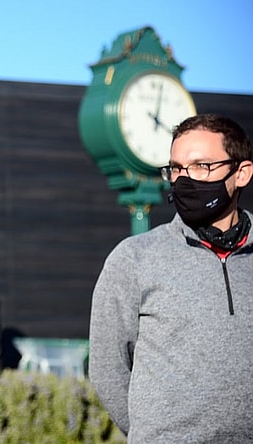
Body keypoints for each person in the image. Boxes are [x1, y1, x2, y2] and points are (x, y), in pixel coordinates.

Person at [89, 113, 253, 442]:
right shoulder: (134, 258)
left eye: (201, 166)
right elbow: (107, 368)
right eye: (176, 169)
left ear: (242, 173)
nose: (184, 180)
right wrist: (154, 432)